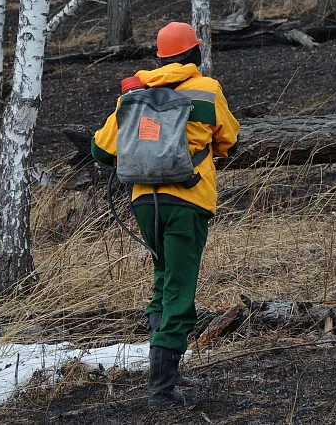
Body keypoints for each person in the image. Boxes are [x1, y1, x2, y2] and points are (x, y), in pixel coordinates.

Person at [91, 22, 240, 408]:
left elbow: (101, 152)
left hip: (144, 204)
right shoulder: (206, 90)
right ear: (194, 54)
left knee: (163, 280)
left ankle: (164, 377)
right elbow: (231, 141)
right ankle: (161, 389)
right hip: (188, 201)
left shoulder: (134, 95)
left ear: (159, 57)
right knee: (179, 288)